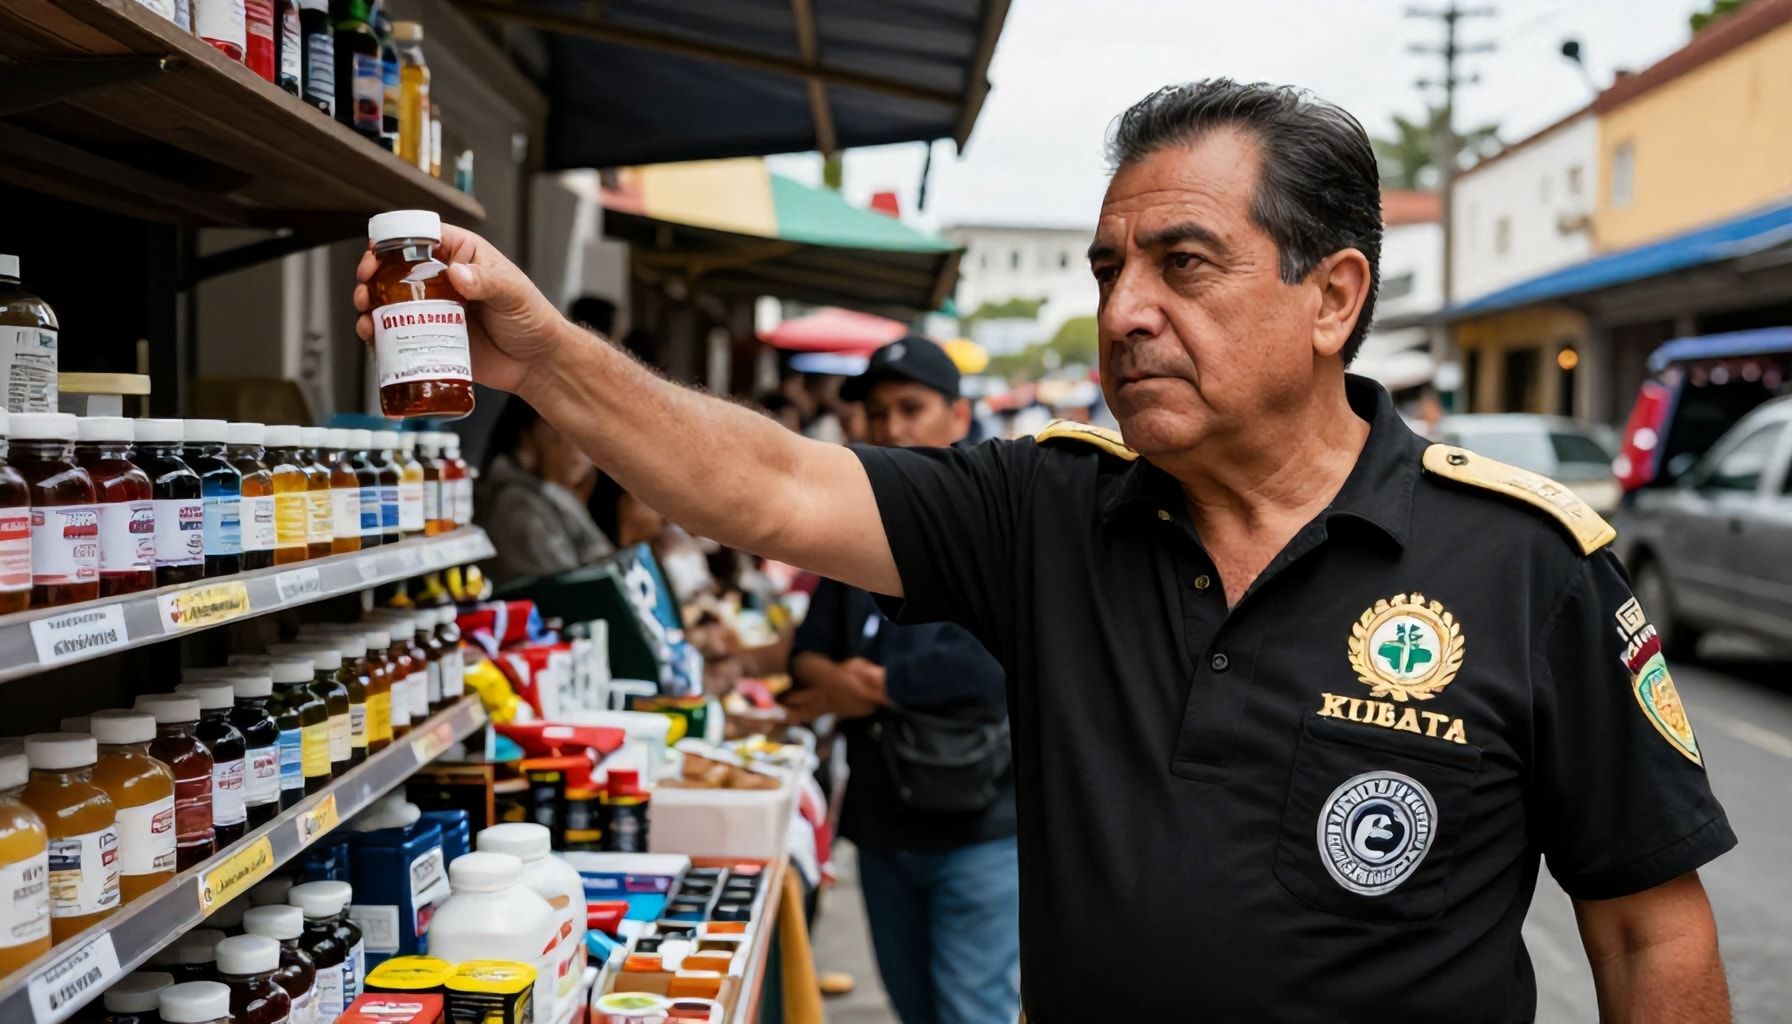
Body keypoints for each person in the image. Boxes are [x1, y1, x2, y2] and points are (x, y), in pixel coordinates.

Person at [355, 79, 1734, 1021]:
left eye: (1182, 265)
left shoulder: (1524, 561)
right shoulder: (1049, 510)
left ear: (1334, 298)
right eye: (1105, 272)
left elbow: (1643, 926)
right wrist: (537, 353)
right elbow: (768, 486)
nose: (1123, 312)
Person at [785, 338, 1020, 1024]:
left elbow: (986, 665)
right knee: (913, 1007)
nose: (892, 429)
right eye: (879, 413)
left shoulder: (1000, 521)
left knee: (972, 1011)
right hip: (884, 827)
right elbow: (805, 652)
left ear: (959, 414)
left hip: (979, 828)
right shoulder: (853, 530)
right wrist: (840, 675)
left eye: (911, 408)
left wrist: (871, 683)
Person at [474, 395, 612, 583]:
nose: (578, 447)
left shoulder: (556, 494)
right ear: (526, 437)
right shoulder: (514, 503)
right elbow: (569, 591)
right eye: (560, 430)